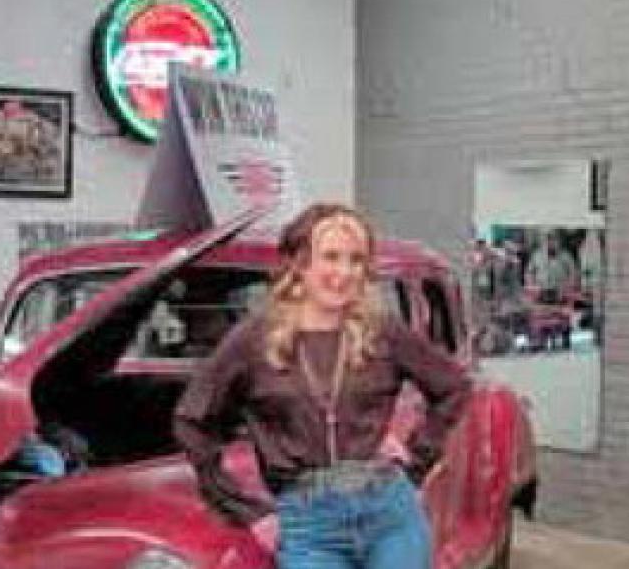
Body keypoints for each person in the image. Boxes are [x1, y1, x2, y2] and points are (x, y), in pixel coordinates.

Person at [174, 203, 471, 569]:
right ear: (300, 263)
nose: (343, 273)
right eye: (330, 257)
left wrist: (417, 459)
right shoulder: (254, 340)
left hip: (390, 512)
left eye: (356, 260)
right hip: (308, 523)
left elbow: (453, 387)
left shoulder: (383, 331)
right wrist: (245, 510)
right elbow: (192, 419)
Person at [525, 231, 576, 304]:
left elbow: (573, 274)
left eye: (554, 240)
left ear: (559, 242)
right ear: (544, 242)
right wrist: (533, 286)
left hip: (560, 294)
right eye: (548, 240)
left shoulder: (566, 256)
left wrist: (566, 288)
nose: (551, 243)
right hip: (540, 293)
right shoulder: (536, 255)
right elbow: (529, 273)